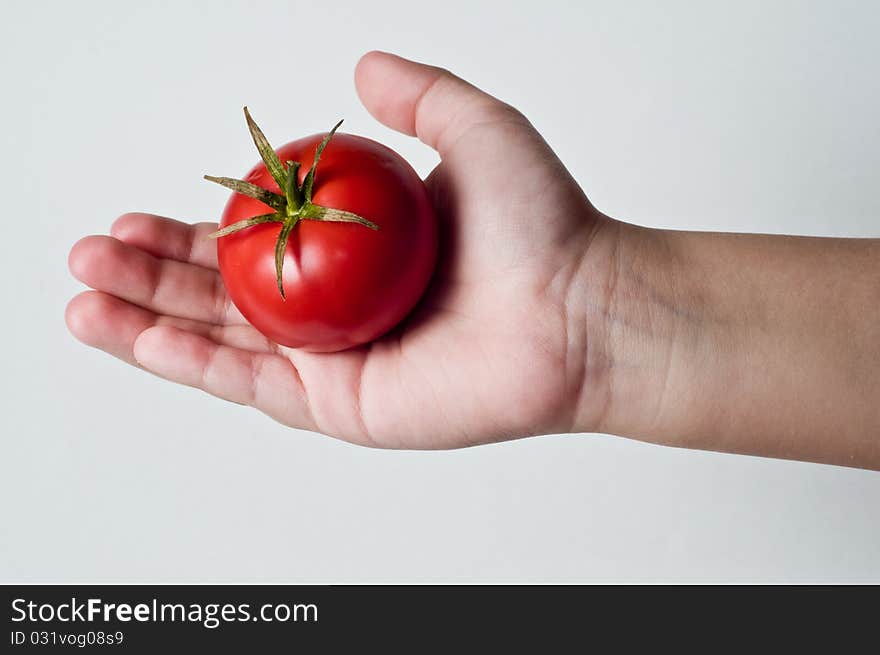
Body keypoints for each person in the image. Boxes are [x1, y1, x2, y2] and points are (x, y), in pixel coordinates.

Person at [65, 51, 880, 470]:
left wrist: (586, 311)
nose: (283, 194)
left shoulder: (286, 216)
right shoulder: (298, 207)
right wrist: (586, 325)